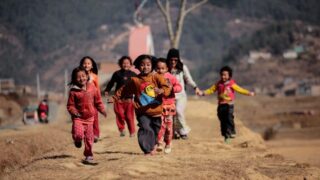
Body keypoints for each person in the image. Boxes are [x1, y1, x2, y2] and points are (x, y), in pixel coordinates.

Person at [112, 54, 171, 155]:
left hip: (156, 110)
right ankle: (147, 150)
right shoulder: (135, 80)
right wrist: (115, 97)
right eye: (142, 65)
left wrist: (161, 90)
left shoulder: (157, 77)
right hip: (142, 111)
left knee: (155, 131)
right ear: (138, 67)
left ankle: (152, 146)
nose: (145, 67)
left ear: (152, 66)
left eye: (148, 65)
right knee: (145, 128)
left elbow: (167, 88)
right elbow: (124, 90)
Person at [198, 66, 255, 143]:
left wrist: (248, 93)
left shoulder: (232, 84)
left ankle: (231, 132)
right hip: (221, 105)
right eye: (222, 74)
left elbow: (240, 89)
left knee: (229, 118)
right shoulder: (218, 84)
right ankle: (225, 136)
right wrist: (203, 93)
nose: (223, 76)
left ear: (229, 76)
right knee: (222, 120)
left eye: (225, 75)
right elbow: (211, 90)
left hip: (229, 104)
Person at [67, 67, 106, 164]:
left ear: (87, 76)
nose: (81, 78)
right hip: (78, 118)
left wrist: (102, 110)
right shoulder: (73, 91)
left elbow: (98, 101)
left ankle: (88, 155)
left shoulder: (92, 87)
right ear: (74, 79)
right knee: (79, 134)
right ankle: (77, 139)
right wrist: (74, 112)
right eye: (78, 77)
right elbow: (70, 105)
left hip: (90, 119)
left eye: (83, 76)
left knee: (89, 138)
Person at [166, 48, 201, 140]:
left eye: (175, 60)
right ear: (168, 59)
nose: (173, 61)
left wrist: (195, 87)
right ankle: (175, 133)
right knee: (171, 116)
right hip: (169, 97)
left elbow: (188, 79)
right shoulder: (165, 69)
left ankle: (183, 132)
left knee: (178, 111)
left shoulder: (182, 68)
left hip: (181, 96)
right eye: (171, 59)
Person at [104, 56, 137, 137]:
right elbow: (111, 83)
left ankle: (132, 132)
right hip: (118, 99)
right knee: (119, 114)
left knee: (129, 117)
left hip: (129, 100)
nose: (126, 65)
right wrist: (107, 90)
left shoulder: (133, 75)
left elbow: (138, 85)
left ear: (130, 64)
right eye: (124, 63)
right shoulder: (117, 74)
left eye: (127, 63)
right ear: (120, 64)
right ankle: (122, 129)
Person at [155, 58, 182, 154]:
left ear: (167, 68)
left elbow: (179, 87)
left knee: (169, 127)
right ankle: (160, 143)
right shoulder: (154, 78)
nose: (160, 70)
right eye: (158, 68)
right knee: (160, 125)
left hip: (169, 105)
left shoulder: (171, 77)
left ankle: (168, 144)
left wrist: (172, 89)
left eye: (163, 68)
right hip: (158, 105)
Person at [79, 56, 101, 143]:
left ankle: (96, 134)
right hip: (82, 101)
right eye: (84, 63)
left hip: (93, 101)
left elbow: (97, 88)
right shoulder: (79, 75)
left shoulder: (94, 76)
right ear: (81, 65)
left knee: (95, 117)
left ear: (92, 66)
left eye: (88, 63)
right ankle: (82, 134)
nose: (86, 65)